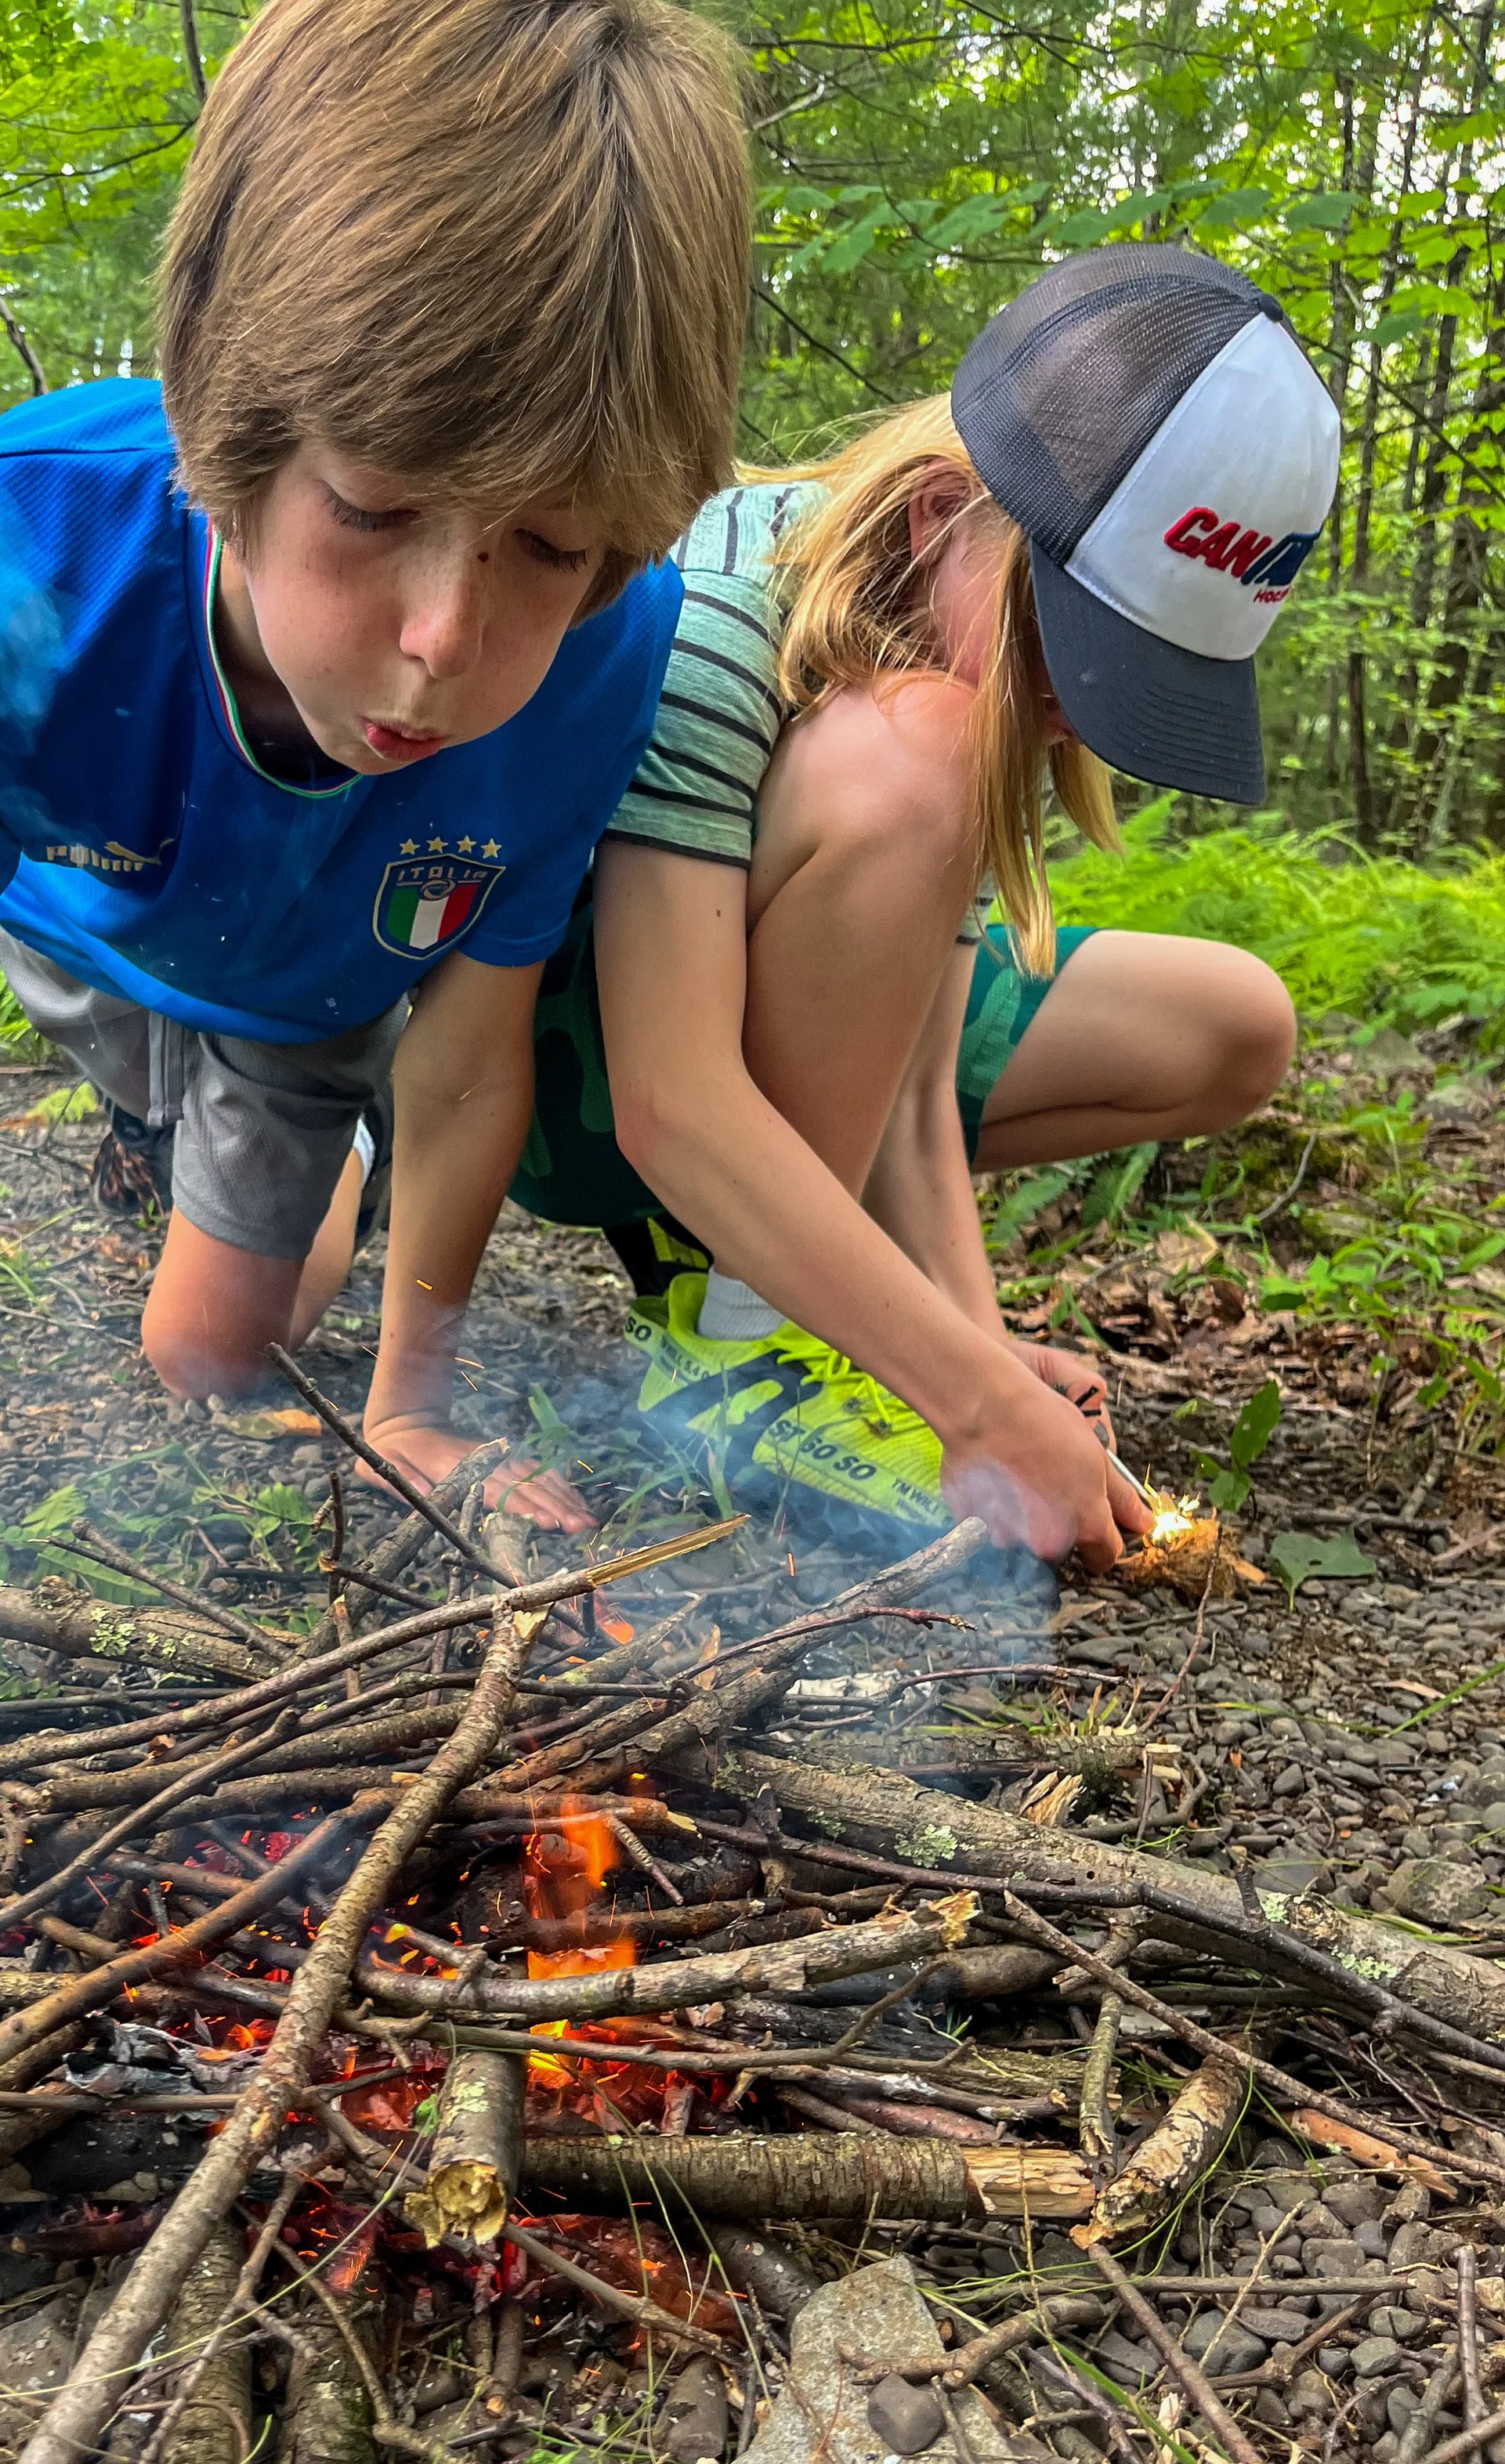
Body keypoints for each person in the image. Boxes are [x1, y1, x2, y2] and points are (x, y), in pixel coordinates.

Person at [0, 0, 751, 1543]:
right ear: (224, 413)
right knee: (148, 1091)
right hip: (77, 936)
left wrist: (409, 1404)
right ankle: (166, 1126)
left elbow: (472, 1036)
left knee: (200, 1353)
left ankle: (316, 1170)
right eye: (375, 508)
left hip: (306, 1005)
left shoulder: (604, 637)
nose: (446, 640)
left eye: (547, 542)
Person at [503, 245, 1340, 1566]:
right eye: (1081, 652)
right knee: (929, 744)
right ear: (936, 517)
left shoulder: (948, 660)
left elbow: (907, 1086)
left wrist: (972, 1357)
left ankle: (803, 1290)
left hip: (757, 1070)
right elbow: (674, 1096)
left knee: (1235, 1020)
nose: (1082, 709)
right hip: (572, 1078)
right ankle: (732, 1345)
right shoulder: (721, 613)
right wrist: (973, 1403)